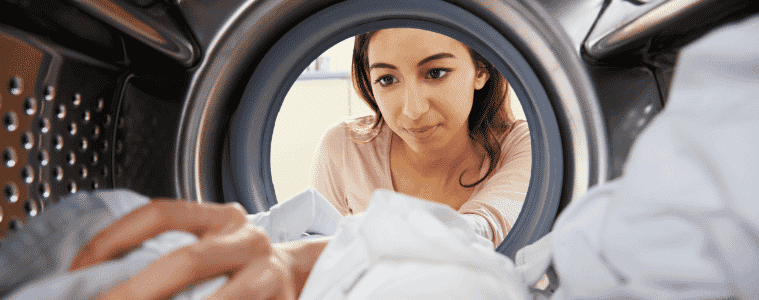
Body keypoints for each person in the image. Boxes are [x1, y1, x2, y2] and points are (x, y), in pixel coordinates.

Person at [310, 28, 531, 246]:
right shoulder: (344, 149)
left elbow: (487, 228)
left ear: (481, 70)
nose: (413, 110)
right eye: (387, 79)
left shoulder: (522, 145)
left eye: (435, 73)